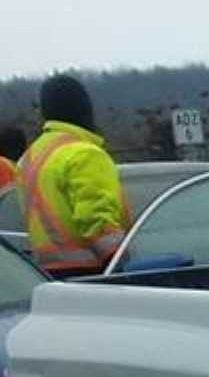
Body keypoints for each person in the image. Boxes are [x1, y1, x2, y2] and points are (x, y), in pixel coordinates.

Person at [18, 75, 130, 276]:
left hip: (45, 273)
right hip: (94, 272)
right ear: (84, 108)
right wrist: (121, 264)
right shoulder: (84, 154)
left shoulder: (31, 156)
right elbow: (97, 219)